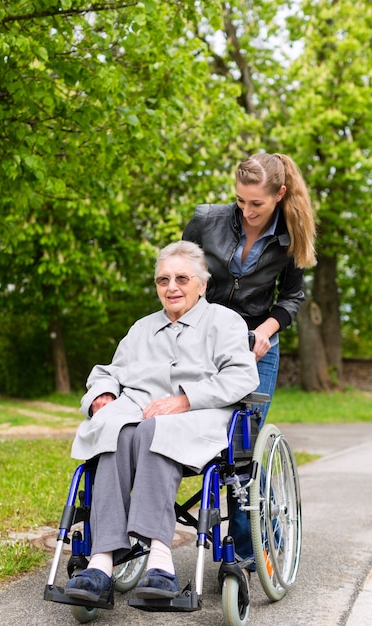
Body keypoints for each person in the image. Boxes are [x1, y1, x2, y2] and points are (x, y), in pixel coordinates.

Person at [65, 240, 259, 605]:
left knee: (155, 429)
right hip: (140, 416)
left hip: (199, 417)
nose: (171, 287)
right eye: (163, 280)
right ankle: (102, 561)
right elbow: (108, 371)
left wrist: (185, 400)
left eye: (182, 278)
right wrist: (102, 397)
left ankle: (161, 559)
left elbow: (242, 377)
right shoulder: (141, 329)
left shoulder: (224, 322)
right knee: (116, 431)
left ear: (202, 284)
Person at [183, 152, 316, 569]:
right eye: (240, 201)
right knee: (204, 438)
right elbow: (180, 271)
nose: (247, 211)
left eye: (256, 203)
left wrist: (265, 330)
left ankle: (246, 548)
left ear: (279, 194)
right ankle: (266, 534)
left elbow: (292, 298)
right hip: (204, 340)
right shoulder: (206, 220)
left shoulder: (293, 234)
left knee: (242, 448)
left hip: (256, 345)